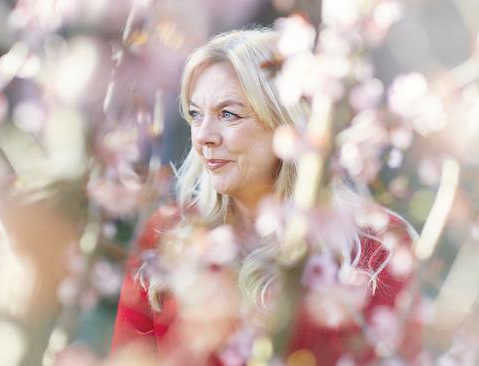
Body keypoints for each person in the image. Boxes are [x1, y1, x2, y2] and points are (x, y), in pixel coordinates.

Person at [110, 28, 420, 366]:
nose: (203, 137)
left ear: (284, 123)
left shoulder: (377, 247)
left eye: (228, 114)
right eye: (196, 114)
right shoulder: (166, 236)